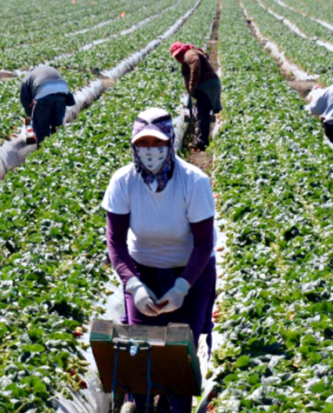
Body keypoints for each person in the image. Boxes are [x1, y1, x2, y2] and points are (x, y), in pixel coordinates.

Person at [102, 108, 217, 412]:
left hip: (191, 270)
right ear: (133, 146)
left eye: (158, 144)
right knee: (140, 350)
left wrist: (182, 287)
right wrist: (134, 286)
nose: (150, 151)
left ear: (170, 142)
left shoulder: (194, 181)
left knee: (179, 352)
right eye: (144, 144)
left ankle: (174, 405)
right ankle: (138, 405)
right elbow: (115, 242)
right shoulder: (123, 182)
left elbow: (205, 243)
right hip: (143, 271)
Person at [170, 41, 222, 151]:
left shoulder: (189, 54)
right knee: (202, 113)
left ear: (182, 50)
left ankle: (202, 142)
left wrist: (191, 85)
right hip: (208, 86)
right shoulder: (188, 55)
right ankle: (202, 140)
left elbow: (196, 64)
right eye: (176, 56)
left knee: (202, 114)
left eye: (179, 54)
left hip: (207, 86)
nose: (178, 58)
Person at [20, 65, 76, 146]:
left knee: (42, 129)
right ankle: (57, 150)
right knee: (57, 126)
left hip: (43, 93)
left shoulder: (27, 77)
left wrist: (31, 115)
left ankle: (43, 151)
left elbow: (25, 100)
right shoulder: (48, 69)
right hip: (62, 92)